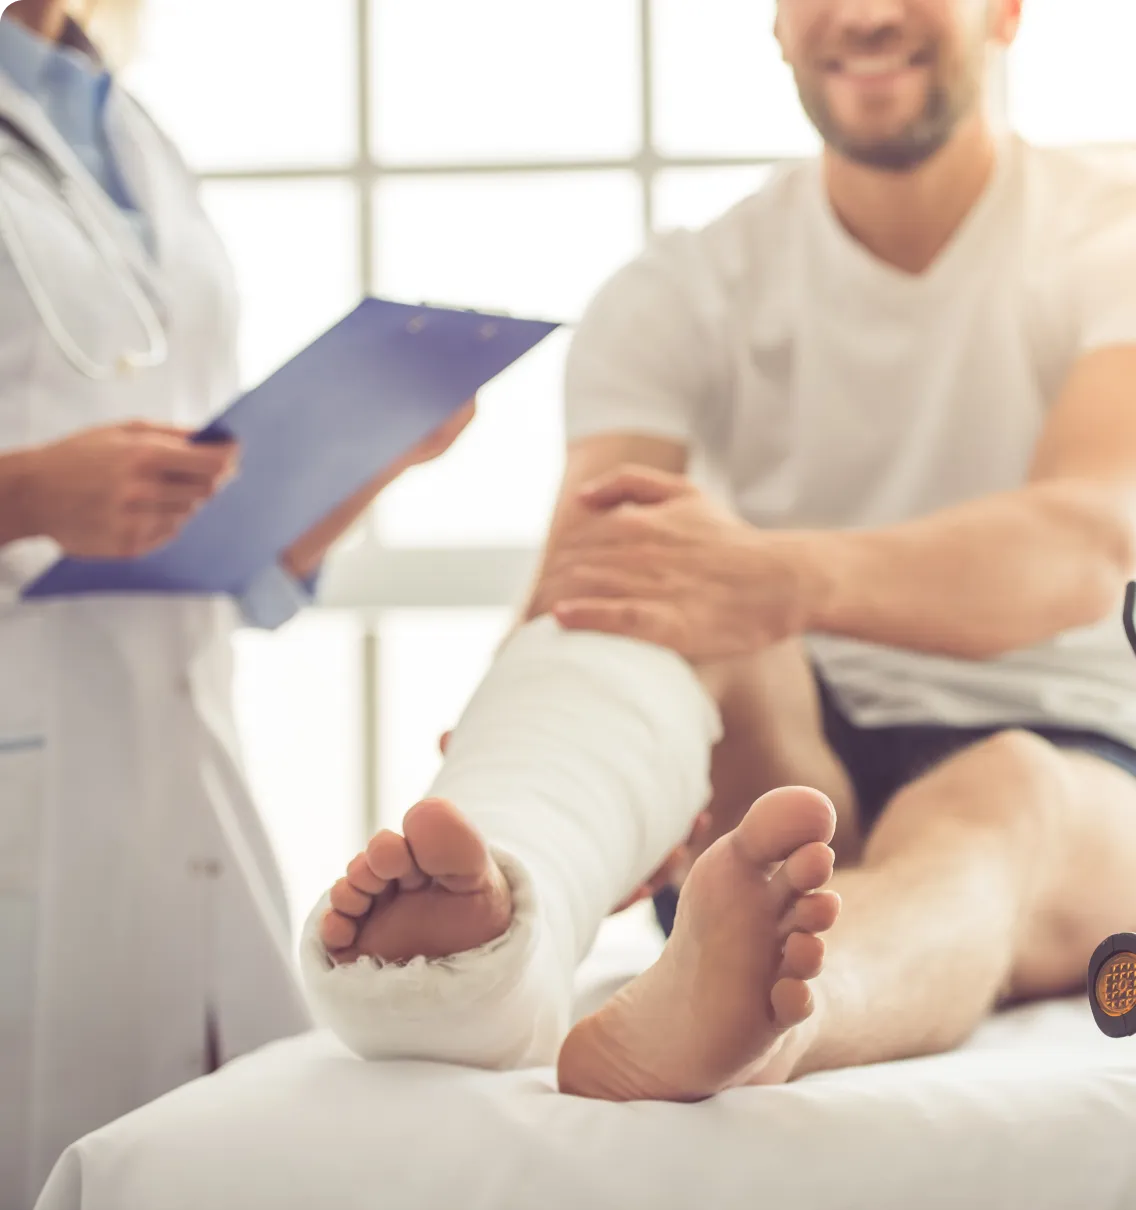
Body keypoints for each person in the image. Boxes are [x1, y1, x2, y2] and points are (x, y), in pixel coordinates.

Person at [298, 0, 1136, 1102]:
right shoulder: (682, 287)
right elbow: (601, 571)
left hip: (1071, 753)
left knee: (1001, 794)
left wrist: (775, 576)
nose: (869, 12)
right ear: (778, 24)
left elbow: (1088, 540)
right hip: (785, 756)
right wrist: (539, 706)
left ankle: (770, 1014)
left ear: (1006, 12)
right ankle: (497, 923)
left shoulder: (1104, 230)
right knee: (640, 611)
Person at [0, 0, 474, 1202]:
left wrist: (368, 455)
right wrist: (26, 495)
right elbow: (65, 488)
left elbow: (219, 552)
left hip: (181, 758)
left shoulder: (125, 125)